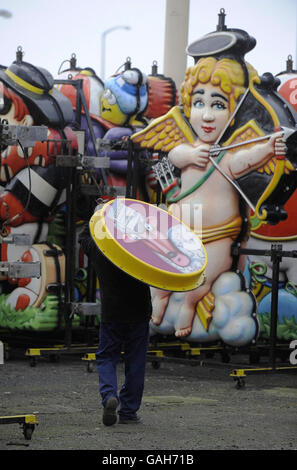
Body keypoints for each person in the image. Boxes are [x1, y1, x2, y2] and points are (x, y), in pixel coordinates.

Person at [79, 217, 152, 426]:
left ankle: (109, 394)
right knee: (136, 362)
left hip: (112, 313)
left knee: (106, 357)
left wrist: (97, 213)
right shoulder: (141, 249)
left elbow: (84, 237)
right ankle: (128, 411)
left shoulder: (100, 250)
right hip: (139, 312)